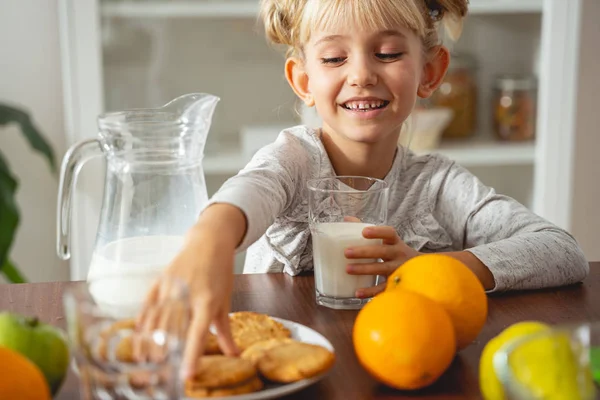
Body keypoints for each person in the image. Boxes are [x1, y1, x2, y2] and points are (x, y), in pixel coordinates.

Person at [138, 0, 589, 379]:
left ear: (430, 72)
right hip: (289, 374)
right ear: (304, 81)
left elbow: (561, 250)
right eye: (334, 59)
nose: (361, 75)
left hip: (400, 368)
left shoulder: (438, 183)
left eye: (388, 53)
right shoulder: (294, 159)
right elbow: (252, 189)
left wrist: (436, 269)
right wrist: (209, 238)